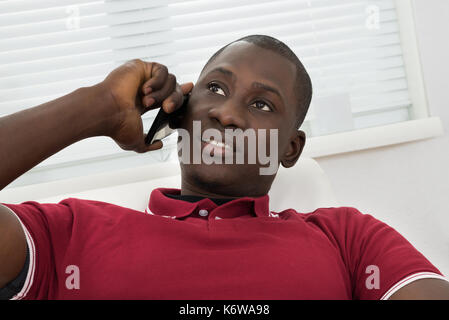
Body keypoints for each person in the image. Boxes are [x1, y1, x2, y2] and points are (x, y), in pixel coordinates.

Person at [0, 35, 448, 300]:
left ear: (291, 148)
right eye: (214, 88)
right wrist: (97, 106)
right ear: (180, 112)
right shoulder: (70, 232)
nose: (226, 114)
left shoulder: (347, 238)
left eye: (261, 103)